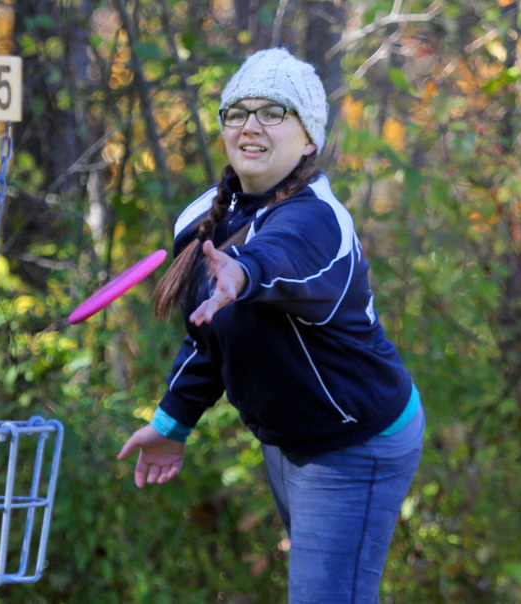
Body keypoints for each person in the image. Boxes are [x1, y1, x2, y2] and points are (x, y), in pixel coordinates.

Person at [116, 48, 424, 603]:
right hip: (289, 438)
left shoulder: (319, 220)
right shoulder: (204, 218)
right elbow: (207, 339)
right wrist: (172, 422)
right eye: (238, 112)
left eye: (274, 112)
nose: (252, 126)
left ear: (308, 139)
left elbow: (281, 256)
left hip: (358, 440)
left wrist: (243, 273)